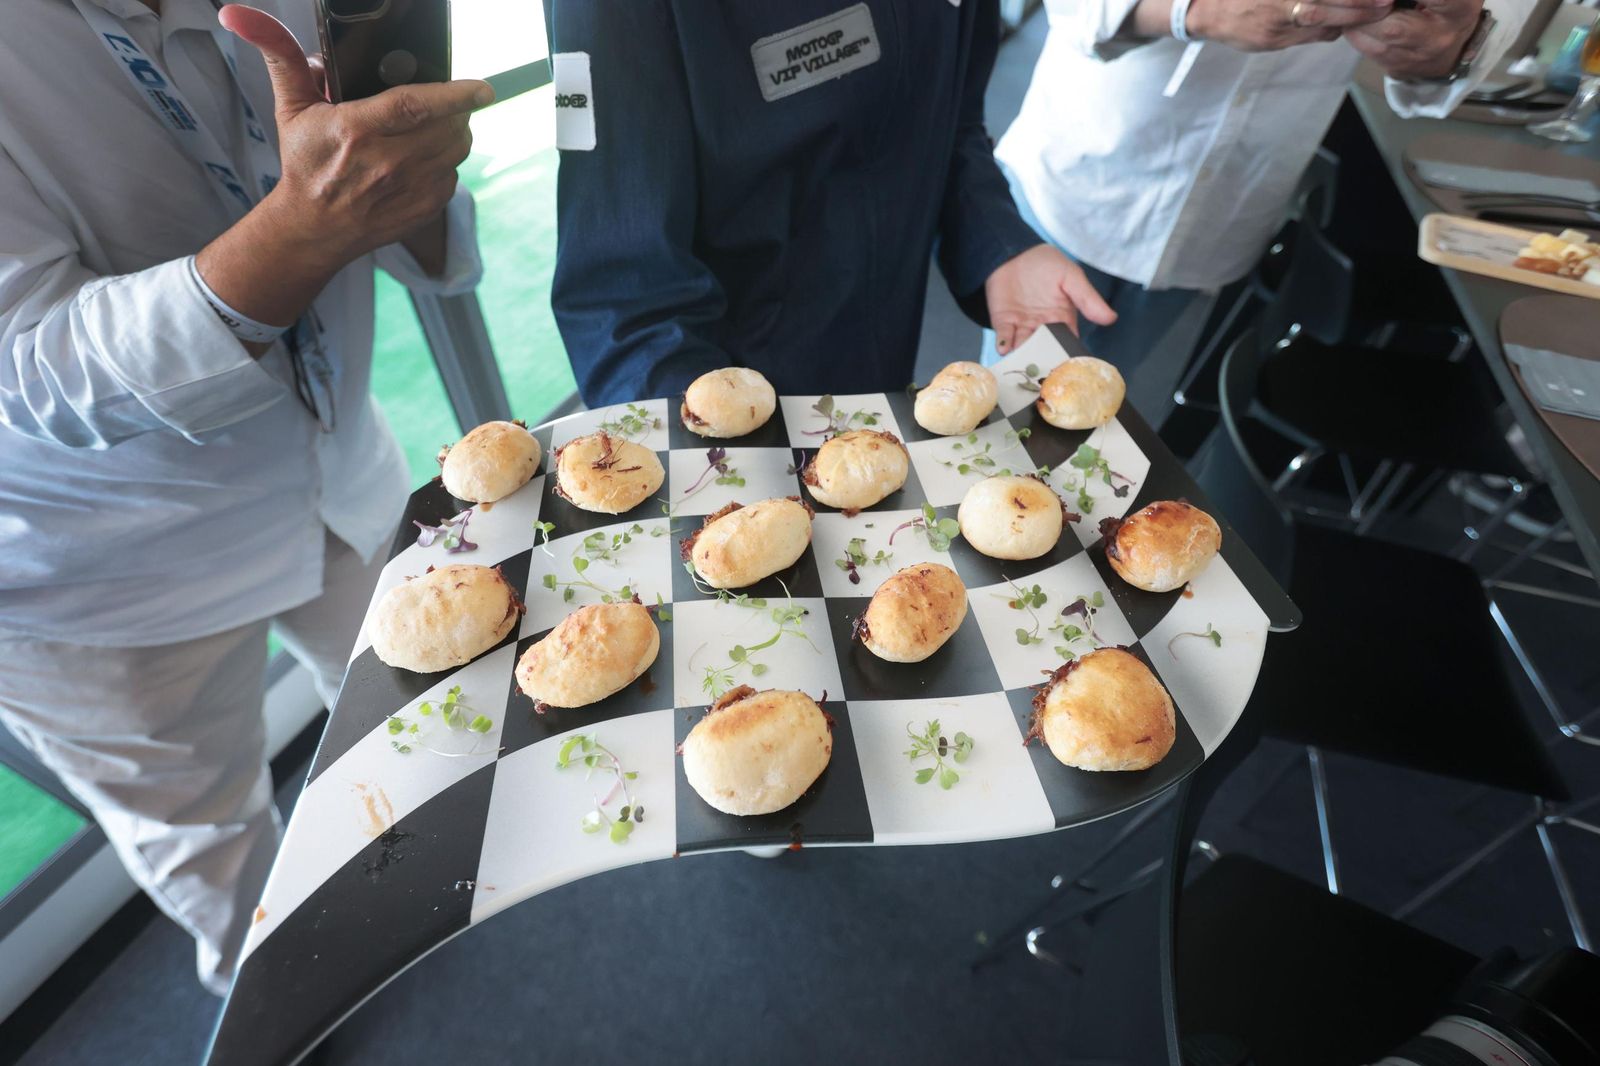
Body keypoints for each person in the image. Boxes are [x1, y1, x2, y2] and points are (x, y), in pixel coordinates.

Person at [0, 0, 488, 993]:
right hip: (98, 579)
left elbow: (383, 208)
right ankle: (287, 1002)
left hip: (336, 466)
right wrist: (304, 228)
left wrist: (401, 173)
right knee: (223, 863)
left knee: (429, 728)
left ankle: (420, 906)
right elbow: (31, 372)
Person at [548, 0, 1117, 408]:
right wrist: (716, 467)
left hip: (885, 360)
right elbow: (622, 289)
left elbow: (949, 123)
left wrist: (998, 245)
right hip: (734, 394)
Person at [992, 0, 1535, 416]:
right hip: (1082, 169)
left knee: (1094, 408)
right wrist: (1197, 10)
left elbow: (1484, 28)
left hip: (1224, 205)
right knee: (1002, 421)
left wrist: (1454, 43)